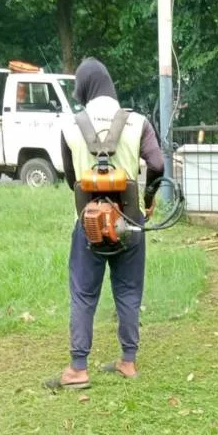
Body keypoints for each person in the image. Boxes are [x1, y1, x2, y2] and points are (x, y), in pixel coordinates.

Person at [46, 58, 164, 391]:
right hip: (130, 223)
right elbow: (157, 164)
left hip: (88, 225)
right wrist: (149, 198)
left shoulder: (71, 127)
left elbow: (71, 179)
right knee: (128, 290)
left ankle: (78, 368)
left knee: (83, 294)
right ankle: (128, 361)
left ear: (84, 88)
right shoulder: (138, 122)